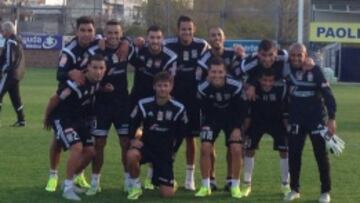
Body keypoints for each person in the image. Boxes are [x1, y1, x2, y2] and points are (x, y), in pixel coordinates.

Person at [43, 54, 106, 201]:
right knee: (77, 148)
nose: (98, 71)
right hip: (62, 119)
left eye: (101, 68)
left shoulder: (97, 82)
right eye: (95, 67)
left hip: (79, 121)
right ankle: (68, 188)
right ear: (87, 68)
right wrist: (47, 118)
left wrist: (105, 89)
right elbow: (54, 99)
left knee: (90, 152)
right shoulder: (74, 84)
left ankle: (68, 181)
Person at [45, 16, 98, 193]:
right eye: (82, 30)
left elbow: (118, 38)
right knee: (58, 142)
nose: (86, 34)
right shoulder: (69, 51)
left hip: (86, 104)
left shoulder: (97, 42)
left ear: (94, 31)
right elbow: (59, 74)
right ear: (76, 32)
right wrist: (70, 73)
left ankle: (78, 175)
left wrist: (126, 42)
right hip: (66, 100)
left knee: (87, 147)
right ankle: (53, 175)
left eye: (89, 30)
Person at [85, 19, 134, 195]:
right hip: (101, 105)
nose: (113, 36)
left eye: (116, 33)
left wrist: (128, 41)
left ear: (121, 34)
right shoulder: (95, 50)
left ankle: (128, 181)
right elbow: (85, 76)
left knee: (126, 143)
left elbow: (141, 43)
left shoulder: (128, 48)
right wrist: (100, 87)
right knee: (99, 144)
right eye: (109, 33)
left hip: (122, 104)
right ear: (104, 34)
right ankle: (95, 182)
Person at [284, 43, 337, 203]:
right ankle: (294, 189)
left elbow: (328, 96)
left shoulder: (315, 70)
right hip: (296, 120)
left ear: (305, 56)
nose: (296, 58)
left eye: (299, 55)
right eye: (293, 55)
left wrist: (332, 119)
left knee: (321, 155)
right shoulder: (286, 69)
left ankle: (325, 191)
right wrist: (286, 117)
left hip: (316, 120)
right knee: (294, 155)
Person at [163, 15, 209, 191]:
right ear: (178, 30)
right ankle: (168, 174)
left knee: (191, 138)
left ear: (194, 29)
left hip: (194, 99)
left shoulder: (202, 45)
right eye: (183, 29)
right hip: (173, 98)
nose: (186, 32)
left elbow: (214, 58)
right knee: (171, 136)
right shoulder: (169, 45)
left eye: (189, 29)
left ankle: (190, 177)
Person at [129, 25, 177, 189]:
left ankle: (151, 177)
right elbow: (119, 45)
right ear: (147, 38)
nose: (155, 41)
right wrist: (134, 43)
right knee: (132, 138)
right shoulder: (139, 50)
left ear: (162, 39)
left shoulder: (170, 57)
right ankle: (130, 180)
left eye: (158, 37)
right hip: (138, 99)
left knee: (157, 135)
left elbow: (171, 81)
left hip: (159, 100)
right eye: (152, 37)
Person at [126, 72, 188, 200]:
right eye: (159, 86)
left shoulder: (179, 108)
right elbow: (132, 123)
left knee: (167, 194)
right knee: (131, 155)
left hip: (164, 151)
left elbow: (181, 133)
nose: (162, 89)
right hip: (147, 146)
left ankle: (164, 179)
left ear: (171, 87)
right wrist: (133, 139)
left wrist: (174, 151)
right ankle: (135, 187)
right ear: (154, 87)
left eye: (166, 86)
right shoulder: (143, 104)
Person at [195, 57, 247, 198]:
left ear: (225, 73)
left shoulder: (235, 85)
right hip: (213, 118)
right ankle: (206, 186)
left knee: (236, 149)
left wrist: (237, 128)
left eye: (220, 72)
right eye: (213, 72)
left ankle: (235, 186)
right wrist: (205, 127)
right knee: (205, 147)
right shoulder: (202, 87)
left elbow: (242, 109)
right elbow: (204, 110)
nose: (217, 75)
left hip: (232, 118)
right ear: (208, 72)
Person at [242, 69, 290, 197]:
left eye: (270, 81)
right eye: (264, 80)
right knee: (249, 149)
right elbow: (248, 110)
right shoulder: (253, 88)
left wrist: (288, 128)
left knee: (284, 151)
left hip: (277, 122)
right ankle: (247, 184)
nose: (267, 83)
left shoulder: (282, 88)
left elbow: (285, 107)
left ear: (274, 80)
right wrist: (244, 131)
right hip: (257, 121)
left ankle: (285, 184)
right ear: (259, 80)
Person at [0, 21, 26, 127]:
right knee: (15, 98)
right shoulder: (17, 40)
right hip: (17, 74)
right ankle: (22, 121)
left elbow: (9, 61)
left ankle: (21, 121)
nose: (2, 33)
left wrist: (2, 70)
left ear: (8, 31)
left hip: (10, 74)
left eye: (3, 30)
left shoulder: (10, 41)